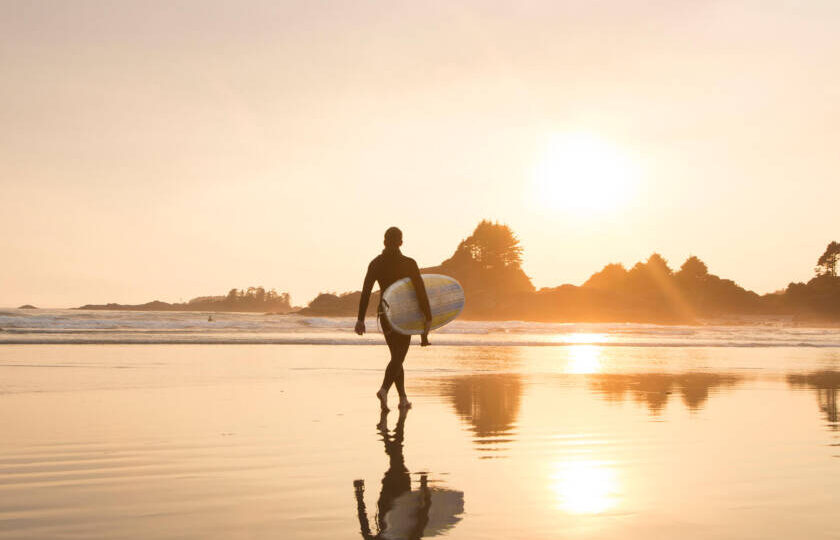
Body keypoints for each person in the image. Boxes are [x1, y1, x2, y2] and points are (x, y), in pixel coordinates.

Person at [355, 227, 432, 411]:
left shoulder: (376, 263)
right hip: (404, 315)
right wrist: (427, 317)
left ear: (384, 242)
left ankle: (403, 399)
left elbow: (366, 292)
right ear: (401, 243)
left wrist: (360, 319)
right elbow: (420, 292)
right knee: (398, 357)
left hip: (385, 314)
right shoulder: (409, 263)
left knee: (396, 356)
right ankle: (384, 390)